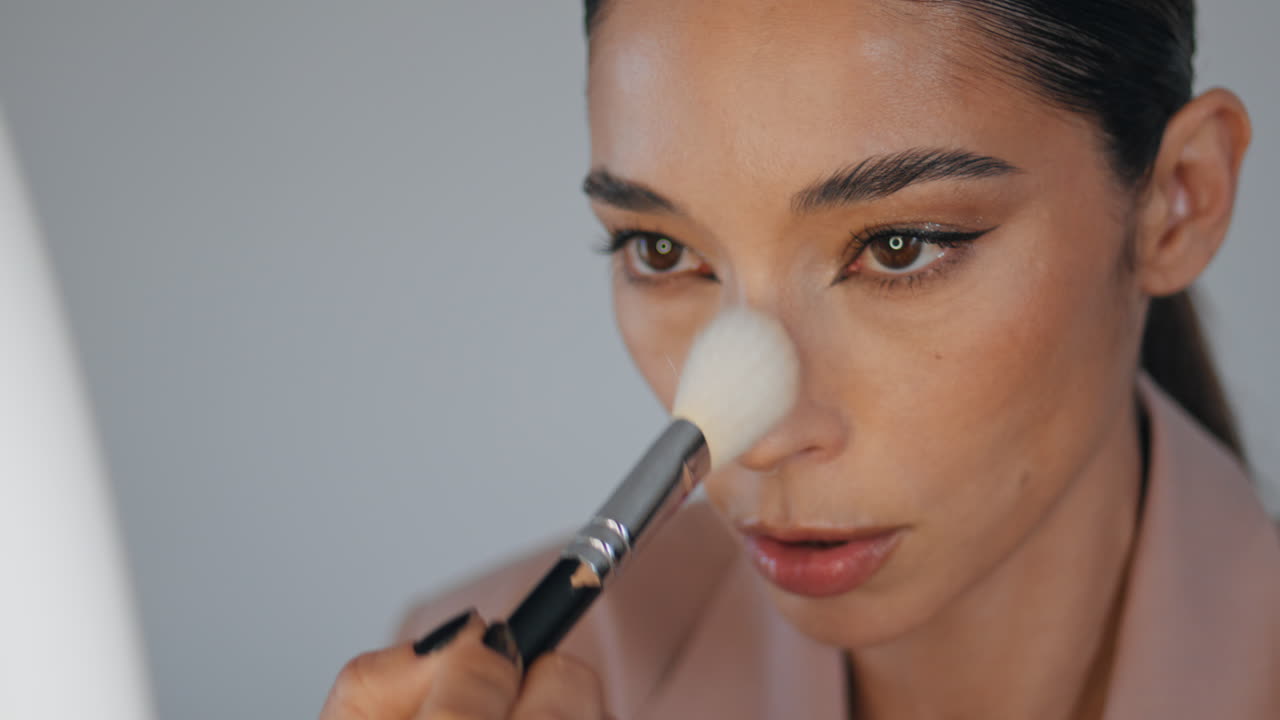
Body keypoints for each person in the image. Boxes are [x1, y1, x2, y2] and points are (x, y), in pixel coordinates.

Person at [320, 1, 1280, 717]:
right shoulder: (467, 678)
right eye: (661, 251)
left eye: (900, 246)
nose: (762, 439)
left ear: (1179, 200)